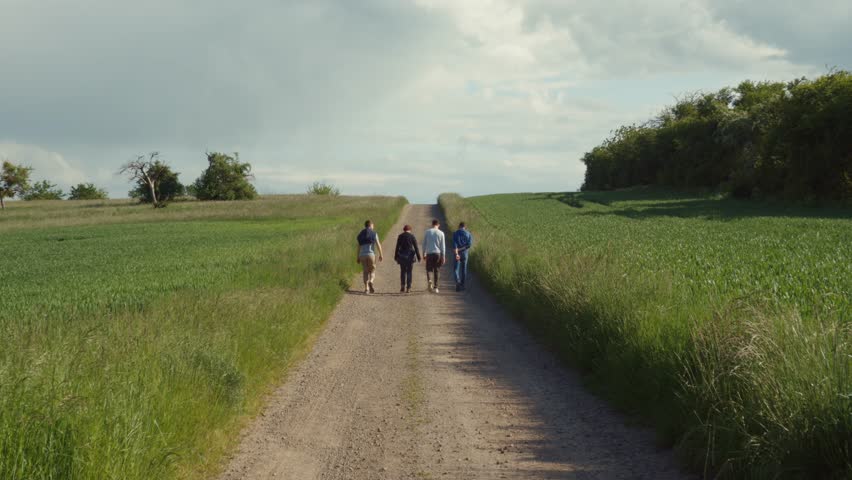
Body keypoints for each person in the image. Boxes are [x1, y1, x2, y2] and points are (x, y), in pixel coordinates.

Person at [356, 220, 383, 294]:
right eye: (373, 225)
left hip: (362, 255)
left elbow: (358, 247)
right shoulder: (374, 233)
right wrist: (381, 254)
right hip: (371, 254)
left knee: (365, 271)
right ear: (371, 225)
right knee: (372, 270)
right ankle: (371, 281)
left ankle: (366, 289)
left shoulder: (360, 234)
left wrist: (358, 257)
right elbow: (378, 244)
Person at [394, 224, 422, 293]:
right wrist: (419, 257)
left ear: (404, 230)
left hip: (402, 256)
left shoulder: (400, 236)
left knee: (403, 271)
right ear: (410, 230)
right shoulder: (412, 236)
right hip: (410, 256)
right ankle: (408, 288)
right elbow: (416, 247)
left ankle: (402, 286)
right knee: (409, 272)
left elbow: (397, 247)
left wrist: (396, 256)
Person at [422, 219, 446, 293]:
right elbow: (443, 246)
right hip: (437, 253)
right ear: (438, 225)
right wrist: (443, 256)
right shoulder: (441, 233)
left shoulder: (427, 232)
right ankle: (436, 287)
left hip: (429, 253)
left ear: (432, 224)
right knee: (436, 270)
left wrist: (424, 253)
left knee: (428, 269)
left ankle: (429, 280)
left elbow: (424, 244)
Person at [452, 221, 473, 292]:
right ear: (465, 227)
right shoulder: (469, 234)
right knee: (464, 269)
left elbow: (454, 244)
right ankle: (463, 285)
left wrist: (457, 251)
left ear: (459, 226)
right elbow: (469, 245)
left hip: (457, 253)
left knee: (456, 269)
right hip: (465, 254)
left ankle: (457, 282)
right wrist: (462, 248)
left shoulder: (455, 233)